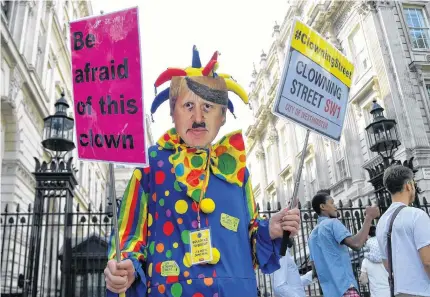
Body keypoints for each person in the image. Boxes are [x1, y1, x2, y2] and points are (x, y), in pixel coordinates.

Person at [103, 46, 301, 297]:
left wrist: (269, 230)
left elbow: (250, 242)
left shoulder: (236, 170)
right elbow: (129, 235)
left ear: (222, 117)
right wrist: (126, 266)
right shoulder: (150, 166)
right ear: (172, 112)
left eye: (208, 107)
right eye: (188, 105)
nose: (198, 117)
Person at [308, 189, 380, 297]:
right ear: (323, 206)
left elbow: (314, 271)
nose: (335, 206)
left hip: (329, 292)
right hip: (345, 288)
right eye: (332, 203)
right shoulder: (332, 223)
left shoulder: (312, 235)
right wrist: (369, 217)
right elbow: (356, 244)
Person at [376, 165, 430, 297]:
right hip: (422, 290)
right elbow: (428, 261)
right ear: (408, 185)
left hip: (399, 292)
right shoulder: (416, 215)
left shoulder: (381, 222)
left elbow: (387, 264)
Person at [359, 226, 390, 297]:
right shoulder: (387, 257)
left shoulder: (366, 261)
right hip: (390, 292)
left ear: (367, 237)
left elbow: (364, 281)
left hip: (375, 294)